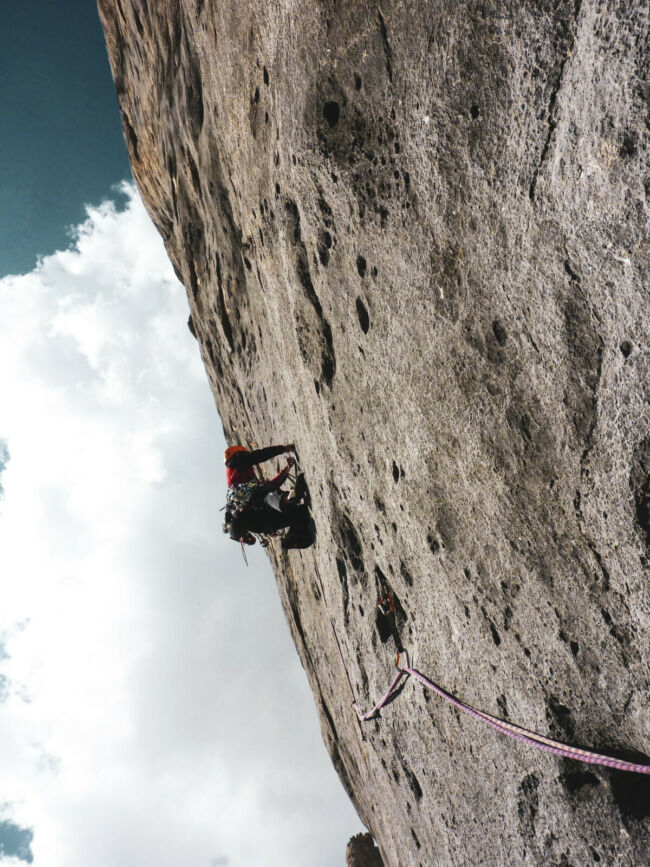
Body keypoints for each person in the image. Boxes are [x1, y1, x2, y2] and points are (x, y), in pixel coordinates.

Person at [223, 443, 310, 549]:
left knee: (296, 512)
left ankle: (291, 509)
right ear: (239, 454)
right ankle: (288, 499)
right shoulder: (237, 464)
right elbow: (261, 455)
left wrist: (286, 469)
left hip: (265, 517)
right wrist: (283, 449)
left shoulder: (239, 489)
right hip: (260, 506)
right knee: (267, 496)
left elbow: (267, 488)